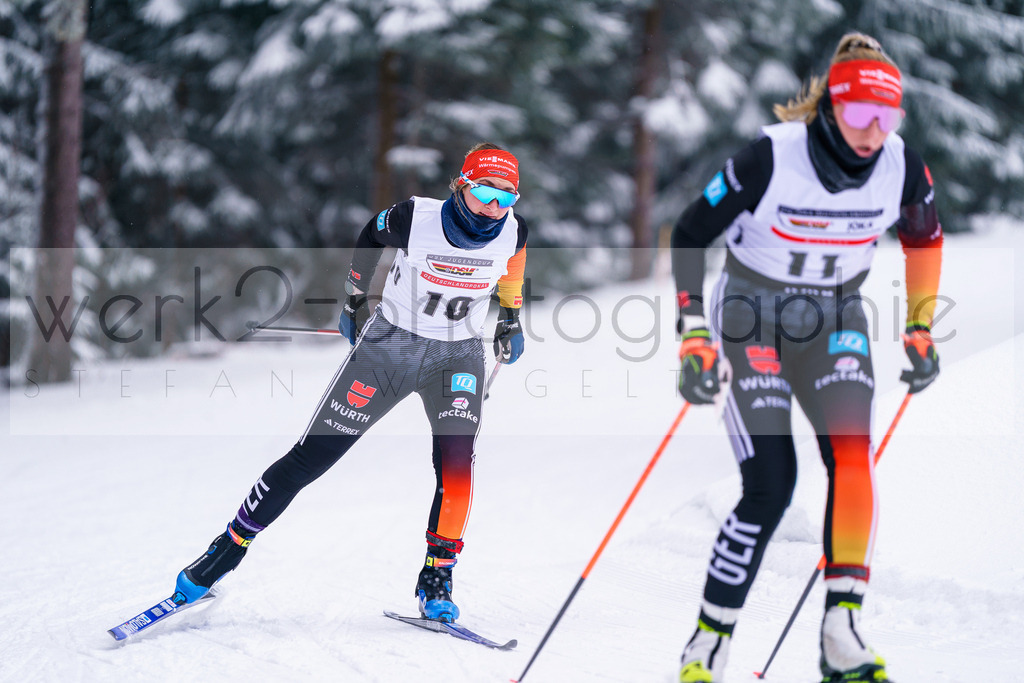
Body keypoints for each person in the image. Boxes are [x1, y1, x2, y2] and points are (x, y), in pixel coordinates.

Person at [670, 33, 942, 683]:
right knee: (771, 483)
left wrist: (920, 326)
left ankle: (840, 631)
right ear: (830, 108)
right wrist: (692, 333)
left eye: (888, 118)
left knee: (852, 456)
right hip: (749, 317)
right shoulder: (770, 155)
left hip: (833, 318)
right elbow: (690, 231)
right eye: (859, 116)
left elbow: (924, 239)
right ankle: (710, 637)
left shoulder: (904, 164)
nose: (873, 132)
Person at [174, 143, 528, 623]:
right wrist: (355, 298)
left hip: (458, 355)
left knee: (457, 468)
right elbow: (369, 237)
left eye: (506, 196)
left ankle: (437, 576)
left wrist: (510, 317)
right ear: (463, 184)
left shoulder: (514, 229)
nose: (494, 205)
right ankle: (227, 548)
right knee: (312, 457)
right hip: (391, 347)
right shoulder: (415, 218)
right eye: (486, 191)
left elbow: (511, 267)